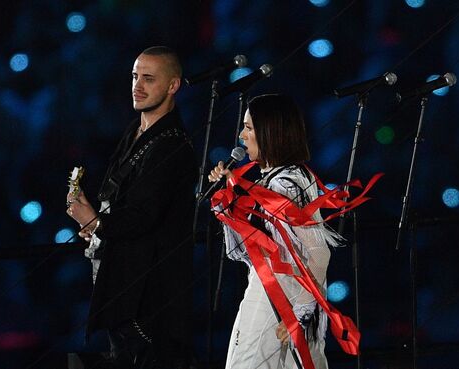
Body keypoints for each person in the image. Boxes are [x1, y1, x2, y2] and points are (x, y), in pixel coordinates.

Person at [67, 46, 197, 369]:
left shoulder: (172, 144)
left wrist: (97, 223)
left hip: (148, 295)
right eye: (135, 76)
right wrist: (93, 220)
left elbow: (144, 215)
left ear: (173, 86)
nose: (137, 85)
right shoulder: (136, 130)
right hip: (123, 282)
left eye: (148, 79)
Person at [208, 94, 341, 369]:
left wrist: (299, 313)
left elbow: (318, 252)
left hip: (281, 295)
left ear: (271, 132)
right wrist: (228, 198)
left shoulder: (287, 184)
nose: (242, 136)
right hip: (274, 289)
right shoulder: (277, 178)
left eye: (249, 128)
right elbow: (244, 251)